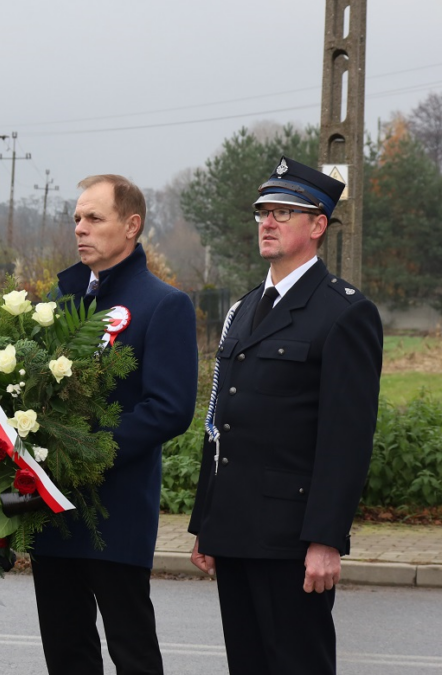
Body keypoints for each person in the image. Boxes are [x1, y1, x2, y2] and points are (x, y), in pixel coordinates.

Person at [188, 157, 383, 675]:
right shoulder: (246, 307)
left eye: (284, 213)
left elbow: (347, 438)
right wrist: (205, 522)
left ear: (318, 226)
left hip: (292, 539)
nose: (267, 223)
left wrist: (326, 539)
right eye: (263, 212)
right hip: (234, 529)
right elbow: (219, 424)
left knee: (298, 664)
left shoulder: (343, 313)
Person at [30, 175, 198, 675]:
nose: (80, 228)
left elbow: (169, 408)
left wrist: (83, 452)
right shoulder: (62, 305)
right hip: (53, 507)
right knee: (66, 651)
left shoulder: (164, 303)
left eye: (94, 218)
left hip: (116, 510)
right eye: (77, 218)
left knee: (132, 650)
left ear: (132, 226)